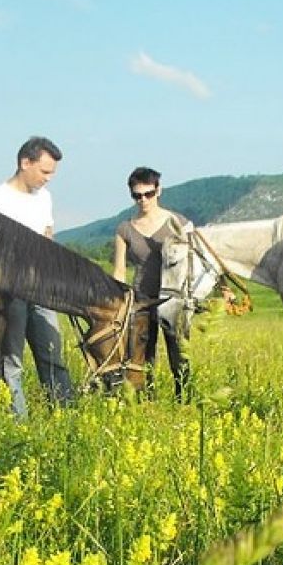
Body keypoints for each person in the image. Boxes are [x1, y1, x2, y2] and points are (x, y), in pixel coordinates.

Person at [0, 136, 74, 418]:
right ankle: (18, 423)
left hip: (42, 289)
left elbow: (47, 237)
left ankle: (65, 416)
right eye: (45, 171)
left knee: (52, 354)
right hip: (11, 291)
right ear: (25, 163)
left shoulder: (44, 197)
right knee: (12, 361)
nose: (48, 179)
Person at [111, 166, 191, 400]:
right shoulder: (124, 229)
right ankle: (147, 403)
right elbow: (119, 270)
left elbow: (195, 261)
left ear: (159, 190)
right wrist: (119, 306)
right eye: (137, 196)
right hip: (141, 301)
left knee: (180, 355)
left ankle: (184, 399)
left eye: (148, 194)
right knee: (143, 357)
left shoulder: (178, 223)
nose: (143, 200)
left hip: (173, 300)